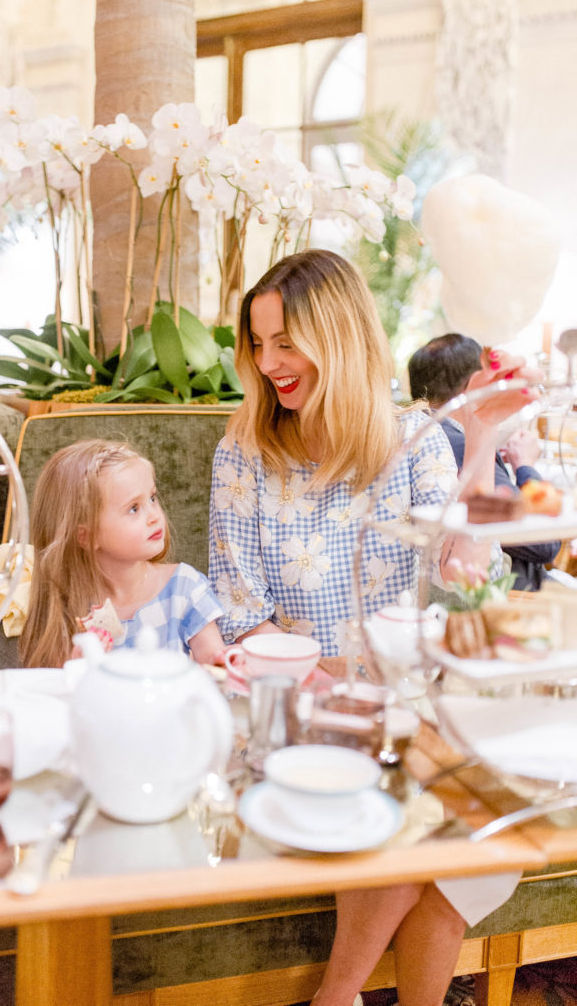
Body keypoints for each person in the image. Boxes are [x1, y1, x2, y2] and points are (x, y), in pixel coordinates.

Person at [208, 249, 539, 1006]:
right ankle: (339, 999)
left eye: (286, 342)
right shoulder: (243, 450)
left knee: (462, 814)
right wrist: (340, 691)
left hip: (412, 691)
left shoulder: (416, 440)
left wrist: (483, 443)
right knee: (434, 812)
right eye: (258, 344)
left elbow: (463, 570)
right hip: (299, 698)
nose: (269, 364)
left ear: (341, 337)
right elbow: (239, 605)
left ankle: (340, 999)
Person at [20, 439, 225, 668]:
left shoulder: (185, 588)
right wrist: (77, 666)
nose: (154, 516)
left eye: (152, 498)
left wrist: (228, 662)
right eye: (134, 508)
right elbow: (51, 691)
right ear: (85, 536)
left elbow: (217, 667)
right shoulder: (69, 608)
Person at [408, 332, 560, 590]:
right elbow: (544, 544)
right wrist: (525, 466)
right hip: (510, 600)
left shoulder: (422, 434)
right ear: (476, 383)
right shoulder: (458, 443)